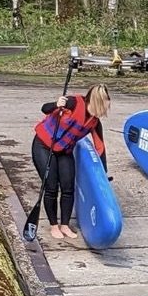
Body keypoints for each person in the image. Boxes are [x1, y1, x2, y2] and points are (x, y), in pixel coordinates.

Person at [31, 83, 111, 239]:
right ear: (98, 101)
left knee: (68, 187)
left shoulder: (94, 123)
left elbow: (100, 148)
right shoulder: (73, 103)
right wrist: (57, 104)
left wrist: (103, 174)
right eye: (106, 102)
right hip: (44, 146)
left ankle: (65, 225)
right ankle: (54, 226)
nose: (107, 107)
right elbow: (45, 108)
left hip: (64, 151)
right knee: (51, 187)